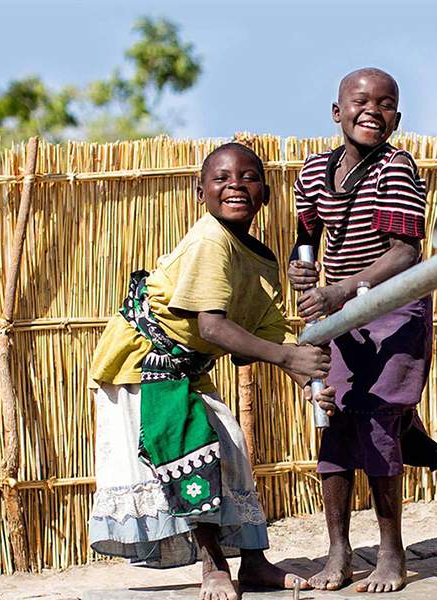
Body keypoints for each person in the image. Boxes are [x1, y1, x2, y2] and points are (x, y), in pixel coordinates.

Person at [88, 143, 334, 600]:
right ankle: (213, 565)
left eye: (248, 177)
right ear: (200, 192)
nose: (235, 185)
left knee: (232, 447)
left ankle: (254, 563)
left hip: (188, 362)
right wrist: (288, 359)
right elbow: (212, 327)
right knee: (190, 451)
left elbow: (270, 332)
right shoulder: (209, 239)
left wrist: (308, 383)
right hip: (144, 358)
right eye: (221, 178)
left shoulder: (261, 260)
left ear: (265, 194)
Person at [289, 68, 437, 594]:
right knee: (334, 419)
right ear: (337, 112)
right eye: (360, 101)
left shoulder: (395, 169)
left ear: (396, 119)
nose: (372, 111)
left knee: (378, 419)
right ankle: (338, 552)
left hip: (392, 311)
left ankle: (391, 552)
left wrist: (340, 290)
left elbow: (406, 253)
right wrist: (301, 269)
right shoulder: (314, 172)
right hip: (341, 315)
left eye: (385, 104)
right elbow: (305, 237)